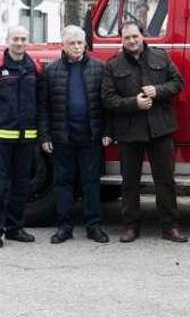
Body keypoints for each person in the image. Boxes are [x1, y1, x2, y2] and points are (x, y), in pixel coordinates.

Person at [102, 21, 187, 243]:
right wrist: (134, 103)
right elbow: (108, 99)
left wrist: (158, 91)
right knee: (129, 182)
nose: (131, 41)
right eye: (127, 37)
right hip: (129, 132)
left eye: (135, 36)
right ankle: (130, 227)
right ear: (122, 39)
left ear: (142, 36)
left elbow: (178, 83)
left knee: (165, 181)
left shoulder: (161, 57)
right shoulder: (113, 65)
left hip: (160, 129)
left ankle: (170, 227)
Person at [38, 25, 111, 244]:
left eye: (80, 42)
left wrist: (107, 131)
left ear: (85, 44)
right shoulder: (51, 71)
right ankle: (64, 227)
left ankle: (94, 227)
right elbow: (43, 108)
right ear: (63, 45)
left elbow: (106, 105)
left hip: (91, 136)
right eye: (72, 43)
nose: (77, 47)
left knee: (91, 182)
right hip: (62, 137)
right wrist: (45, 136)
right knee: (64, 183)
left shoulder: (99, 68)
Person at [0, 26, 41, 246]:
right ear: (8, 41)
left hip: (27, 139)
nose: (19, 43)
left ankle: (15, 228)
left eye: (23, 39)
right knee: (1, 184)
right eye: (15, 39)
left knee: (21, 185)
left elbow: (40, 100)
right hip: (3, 138)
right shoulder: (1, 66)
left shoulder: (32, 66)